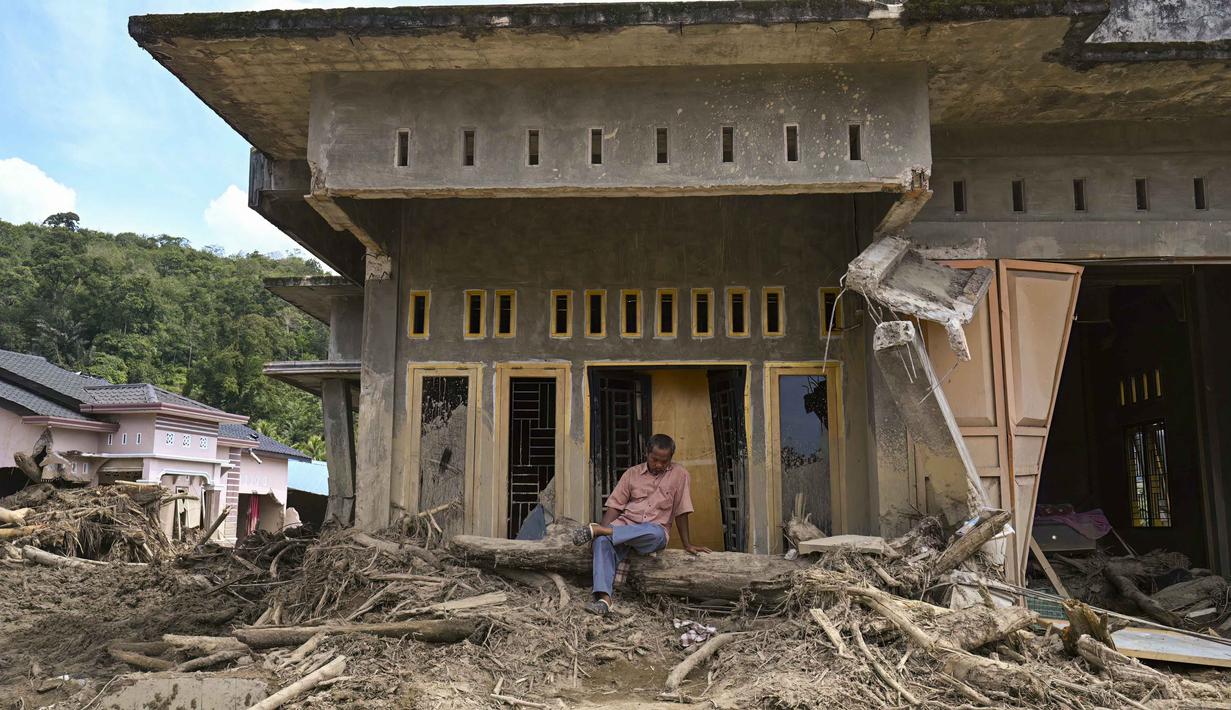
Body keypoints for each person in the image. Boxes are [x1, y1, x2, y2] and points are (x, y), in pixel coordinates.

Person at [572, 433, 711, 615]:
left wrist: (687, 543)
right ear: (647, 453)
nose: (658, 465)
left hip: (652, 532)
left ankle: (600, 530)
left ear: (671, 458)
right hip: (624, 525)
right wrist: (600, 534)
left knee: (656, 534)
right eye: (654, 460)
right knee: (601, 542)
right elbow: (615, 506)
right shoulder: (632, 474)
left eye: (664, 461)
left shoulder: (680, 474)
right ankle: (604, 599)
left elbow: (682, 510)